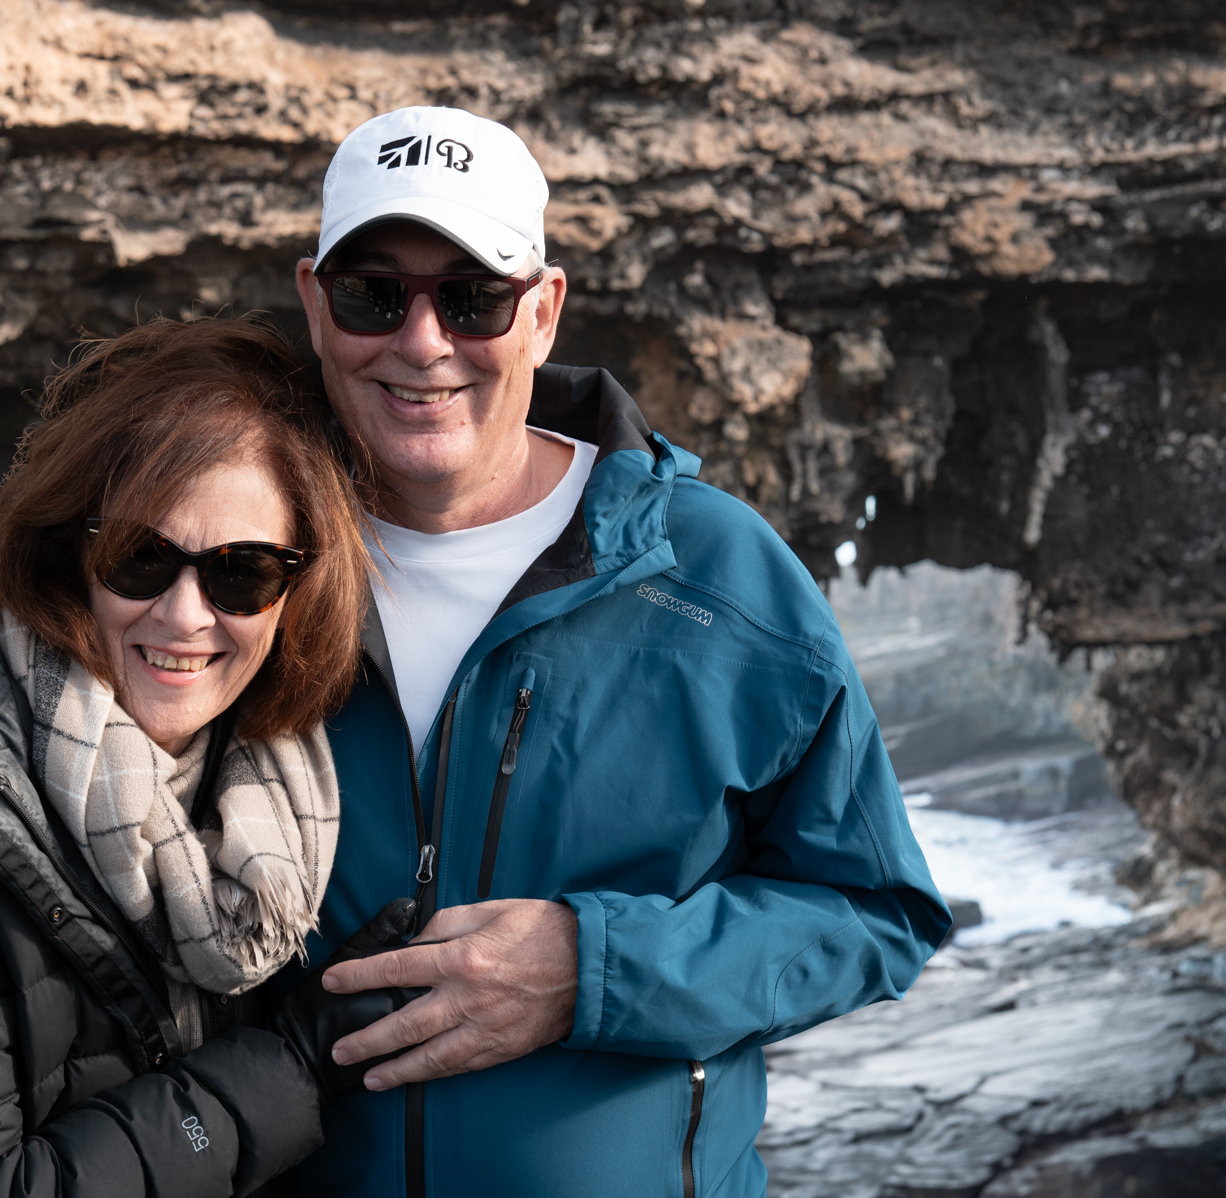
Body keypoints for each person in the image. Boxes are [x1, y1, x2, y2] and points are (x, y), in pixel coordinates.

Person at [281, 106, 953, 1196]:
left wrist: (592, 971)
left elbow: (877, 913)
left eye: (472, 296)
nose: (421, 340)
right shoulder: (232, 565)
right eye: (374, 293)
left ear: (542, 312)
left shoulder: (716, 574)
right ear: (314, 301)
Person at [0, 317, 423, 1197]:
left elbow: (465, 381)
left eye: (244, 571)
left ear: (298, 592)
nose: (186, 615)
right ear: (69, 554)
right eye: (141, 557)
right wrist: (293, 1065)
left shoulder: (282, 778)